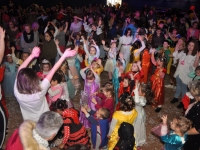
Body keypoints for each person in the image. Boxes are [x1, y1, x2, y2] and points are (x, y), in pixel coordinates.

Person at [14, 46, 77, 122]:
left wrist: (32, 55)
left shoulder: (17, 90)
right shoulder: (40, 91)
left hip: (28, 121)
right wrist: (64, 56)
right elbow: (53, 70)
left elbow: (20, 70)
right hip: (43, 119)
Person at [171, 40, 199, 104]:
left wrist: (197, 57)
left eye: (192, 46)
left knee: (184, 89)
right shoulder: (183, 52)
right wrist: (177, 48)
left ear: (195, 47)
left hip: (186, 75)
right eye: (189, 45)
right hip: (179, 73)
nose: (190, 47)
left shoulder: (194, 56)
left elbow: (195, 66)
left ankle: (182, 102)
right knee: (178, 86)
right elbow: (176, 55)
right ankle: (176, 97)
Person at [133, 81, 153, 149]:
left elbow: (136, 101)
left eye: (139, 90)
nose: (137, 90)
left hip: (138, 116)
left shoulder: (143, 100)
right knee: (134, 127)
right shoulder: (139, 95)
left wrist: (136, 91)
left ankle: (137, 142)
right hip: (135, 113)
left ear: (143, 94)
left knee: (137, 128)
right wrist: (137, 84)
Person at [184, 80, 200, 150]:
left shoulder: (199, 108)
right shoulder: (197, 101)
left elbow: (198, 129)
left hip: (193, 136)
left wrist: (183, 132)